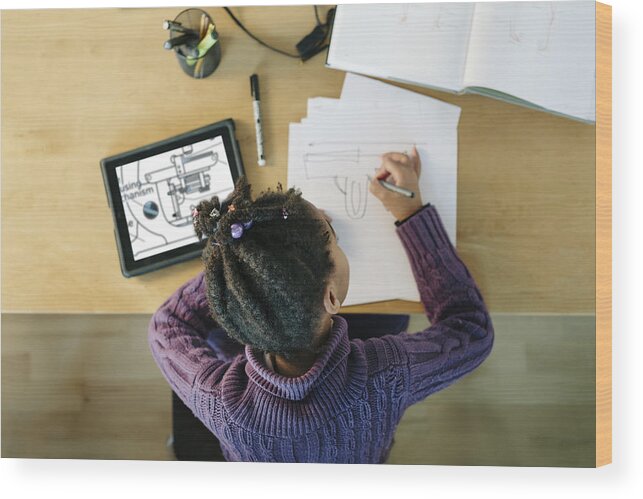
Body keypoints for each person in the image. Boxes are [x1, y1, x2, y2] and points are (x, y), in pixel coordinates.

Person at [148, 147, 494, 463]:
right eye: (333, 239)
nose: (333, 233)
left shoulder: (218, 401)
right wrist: (412, 214)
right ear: (331, 298)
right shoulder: (386, 375)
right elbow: (471, 331)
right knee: (392, 316)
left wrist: (240, 269)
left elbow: (166, 324)